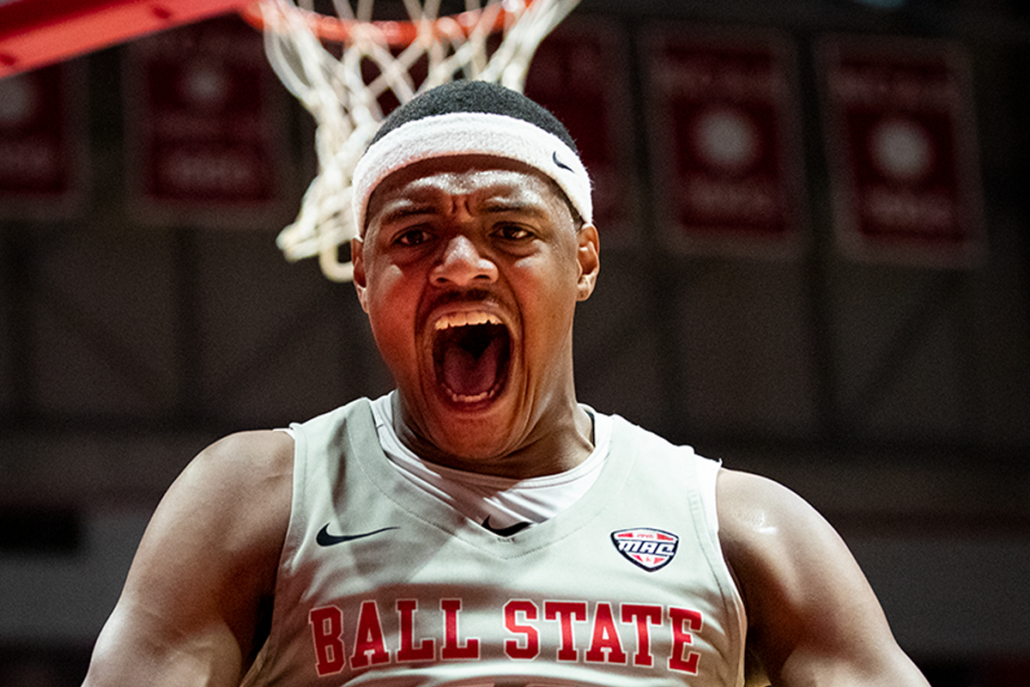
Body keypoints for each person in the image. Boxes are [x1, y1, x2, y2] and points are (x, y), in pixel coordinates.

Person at [82, 80, 929, 687]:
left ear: (585, 261)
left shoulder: (743, 531)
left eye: (509, 228)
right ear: (363, 278)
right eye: (413, 236)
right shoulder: (256, 499)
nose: (458, 263)